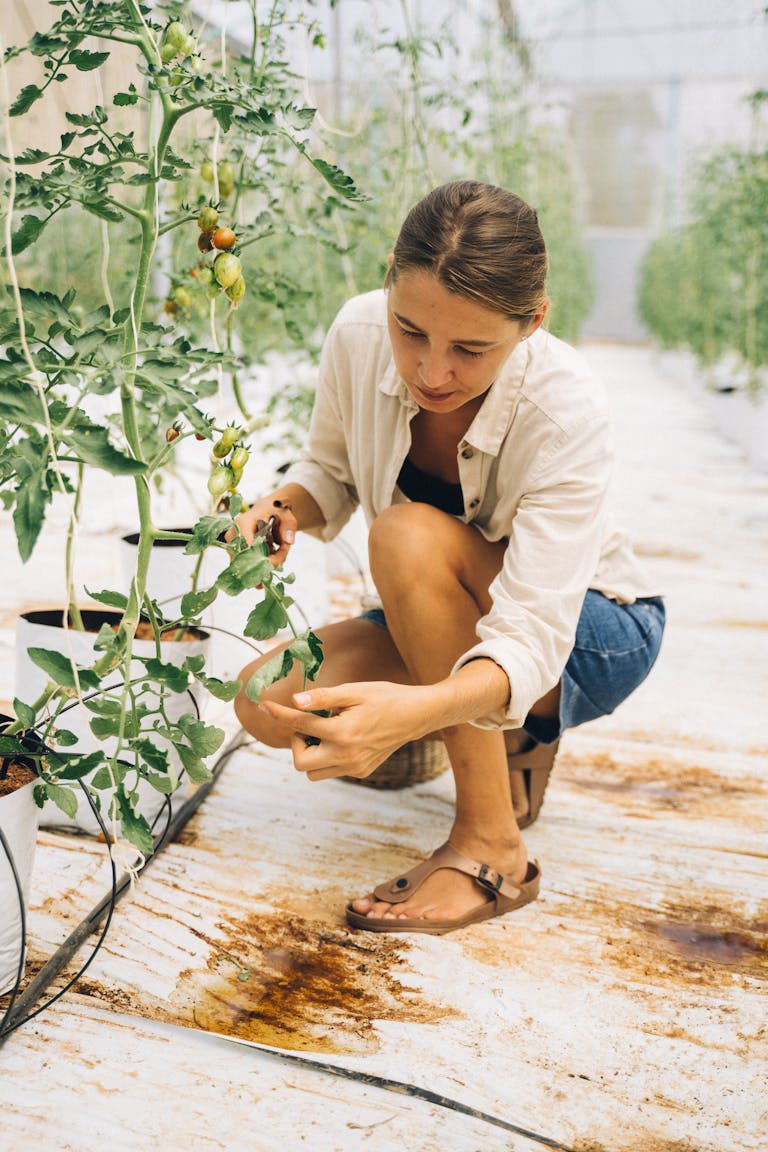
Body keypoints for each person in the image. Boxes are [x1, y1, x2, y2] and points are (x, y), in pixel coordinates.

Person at [233, 180, 665, 936]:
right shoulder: (356, 332)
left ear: (531, 322)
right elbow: (328, 473)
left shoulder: (567, 407)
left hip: (591, 633)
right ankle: (509, 742)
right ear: (391, 274)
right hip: (437, 602)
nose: (432, 372)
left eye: (471, 349)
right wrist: (280, 509)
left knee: (403, 534)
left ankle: (494, 847)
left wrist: (413, 714)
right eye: (411, 332)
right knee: (265, 698)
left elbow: (532, 634)